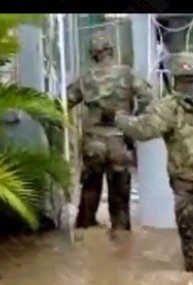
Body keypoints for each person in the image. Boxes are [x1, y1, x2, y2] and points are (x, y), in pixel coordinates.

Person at [115, 51, 193, 271]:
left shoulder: (169, 107)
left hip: (184, 183)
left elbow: (142, 131)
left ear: (175, 76)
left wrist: (119, 119)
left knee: (190, 243)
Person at [65, 34, 153, 233]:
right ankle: (121, 245)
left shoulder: (85, 78)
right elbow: (148, 97)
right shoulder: (128, 74)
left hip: (92, 142)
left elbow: (64, 103)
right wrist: (135, 121)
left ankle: (84, 237)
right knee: (120, 198)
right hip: (119, 142)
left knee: (89, 192)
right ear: (111, 52)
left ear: (92, 55)